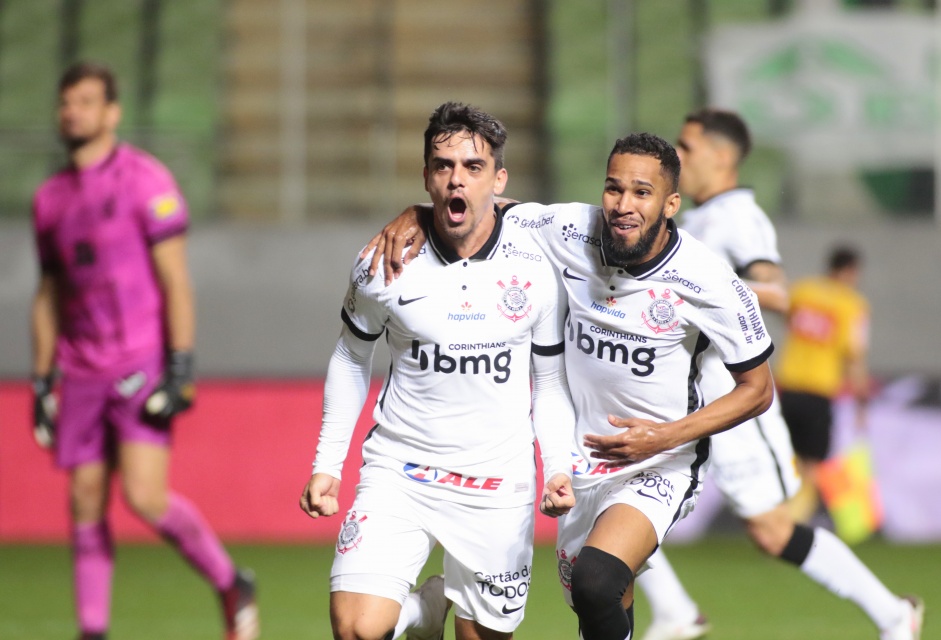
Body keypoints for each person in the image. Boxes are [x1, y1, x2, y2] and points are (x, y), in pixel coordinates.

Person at [362, 132, 778, 640]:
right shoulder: (569, 227)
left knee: (597, 582)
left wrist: (666, 437)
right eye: (613, 188)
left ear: (671, 203)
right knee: (598, 603)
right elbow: (488, 207)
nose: (623, 206)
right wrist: (417, 213)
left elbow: (757, 389)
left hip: (657, 461)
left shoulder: (708, 280)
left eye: (642, 193)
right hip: (580, 461)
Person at [631, 109, 921, 640]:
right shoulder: (695, 221)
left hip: (732, 399)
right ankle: (673, 610)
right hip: (682, 398)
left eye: (686, 148)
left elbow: (778, 290)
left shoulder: (739, 218)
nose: (677, 158)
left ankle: (892, 614)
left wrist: (707, 284)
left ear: (722, 157)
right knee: (608, 492)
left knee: (772, 530)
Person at [298, 101, 577, 640]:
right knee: (356, 629)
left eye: (473, 168)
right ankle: (424, 613)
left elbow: (549, 379)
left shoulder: (537, 264)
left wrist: (558, 466)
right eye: (443, 166)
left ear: (499, 179)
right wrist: (327, 461)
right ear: (426, 176)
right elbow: (352, 356)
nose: (457, 180)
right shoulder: (384, 262)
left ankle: (430, 614)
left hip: (498, 483)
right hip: (401, 469)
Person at [30, 62, 259, 640]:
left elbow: (176, 281)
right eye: (66, 103)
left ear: (112, 113)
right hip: (79, 369)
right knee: (84, 499)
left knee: (143, 496)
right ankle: (93, 630)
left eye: (85, 102)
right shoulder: (50, 199)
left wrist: (180, 364)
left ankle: (231, 581)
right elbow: (49, 294)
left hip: (138, 360)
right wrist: (40, 381)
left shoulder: (144, 181)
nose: (72, 112)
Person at [776, 244, 871, 519]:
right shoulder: (852, 305)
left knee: (788, 458)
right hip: (819, 391)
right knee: (813, 465)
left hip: (789, 388)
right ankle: (794, 523)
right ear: (851, 271)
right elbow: (854, 356)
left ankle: (783, 515)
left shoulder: (803, 291)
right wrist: (861, 402)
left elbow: (785, 314)